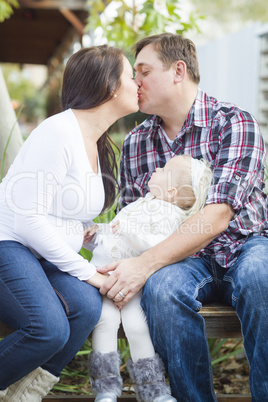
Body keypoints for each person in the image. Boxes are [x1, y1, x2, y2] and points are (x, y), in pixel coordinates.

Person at [97, 33, 268, 401]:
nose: (134, 82)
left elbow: (218, 215)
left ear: (178, 71)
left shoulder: (234, 124)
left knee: (261, 275)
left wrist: (144, 264)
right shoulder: (136, 143)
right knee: (162, 289)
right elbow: (132, 219)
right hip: (184, 259)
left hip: (244, 245)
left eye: (143, 71)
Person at [0, 45, 139, 401]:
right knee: (46, 328)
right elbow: (28, 217)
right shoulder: (58, 132)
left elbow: (66, 213)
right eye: (130, 75)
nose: (137, 83)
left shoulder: (94, 141)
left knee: (87, 306)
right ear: (110, 86)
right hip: (8, 240)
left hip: (38, 252)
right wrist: (90, 272)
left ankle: (21, 395)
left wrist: (97, 237)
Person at [84, 154, 212, 402]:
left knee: (137, 326)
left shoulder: (171, 216)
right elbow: (114, 234)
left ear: (172, 190)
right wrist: (96, 235)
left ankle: (153, 390)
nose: (157, 168)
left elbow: (158, 245)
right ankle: (105, 388)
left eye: (163, 170)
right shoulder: (142, 203)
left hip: (134, 283)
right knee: (105, 321)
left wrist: (129, 231)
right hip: (105, 276)